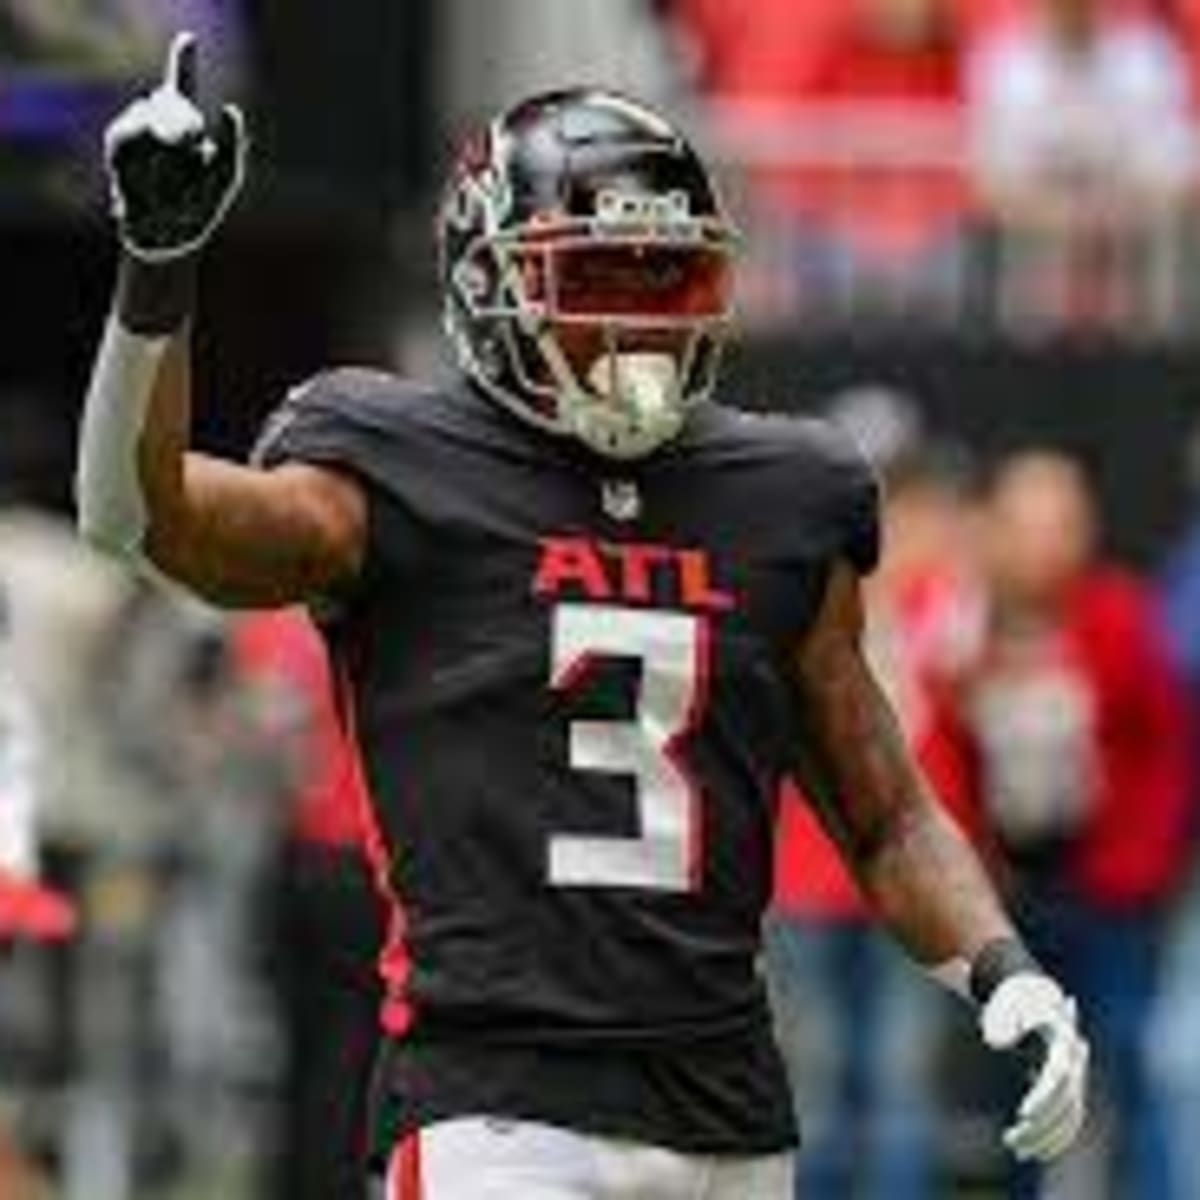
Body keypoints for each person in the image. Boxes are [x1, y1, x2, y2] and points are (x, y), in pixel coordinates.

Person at [73, 34, 1089, 1199]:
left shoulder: (781, 494)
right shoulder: (396, 465)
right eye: (600, 282)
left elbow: (886, 814)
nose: (641, 331)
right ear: (487, 285)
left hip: (728, 1109)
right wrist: (157, 275)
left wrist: (1002, 967)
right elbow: (133, 517)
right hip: (500, 1105)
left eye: (669, 284)